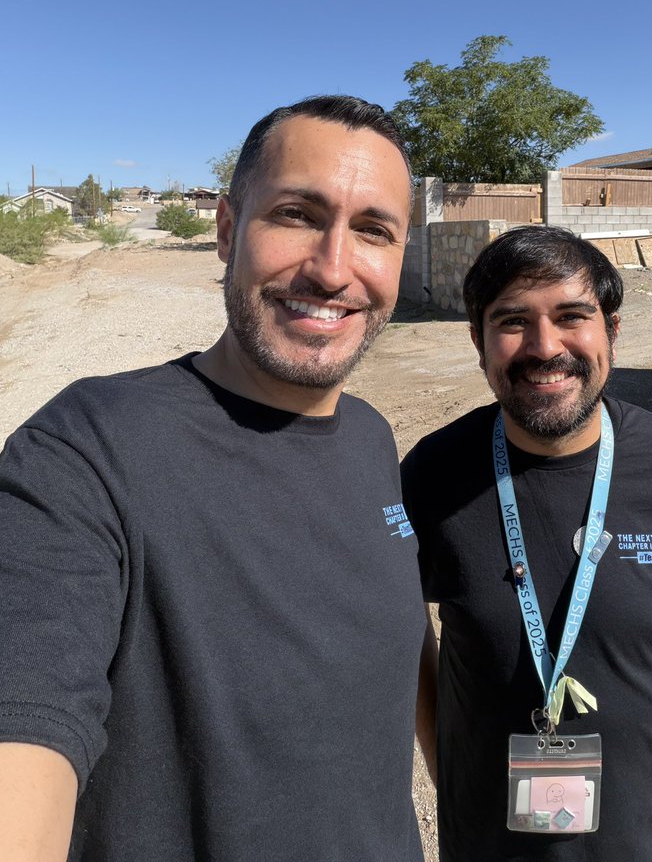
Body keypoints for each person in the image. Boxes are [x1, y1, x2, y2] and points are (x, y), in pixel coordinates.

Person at [0, 96, 427, 862]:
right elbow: (26, 724)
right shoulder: (83, 450)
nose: (333, 269)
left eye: (373, 230)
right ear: (228, 231)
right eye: (296, 215)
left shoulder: (371, 437)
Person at [401, 225, 652, 862]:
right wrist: (444, 766)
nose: (545, 347)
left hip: (647, 841)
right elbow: (407, 634)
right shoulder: (433, 475)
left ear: (611, 331)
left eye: (572, 316)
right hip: (486, 843)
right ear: (478, 342)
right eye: (512, 321)